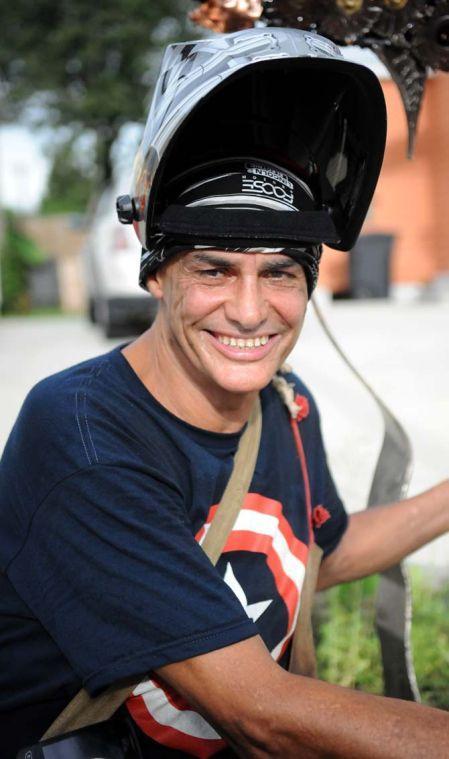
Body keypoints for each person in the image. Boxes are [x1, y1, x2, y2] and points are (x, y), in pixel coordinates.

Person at [1, 28, 449, 759]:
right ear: (155, 275)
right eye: (213, 270)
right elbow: (261, 716)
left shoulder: (283, 400)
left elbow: (318, 550)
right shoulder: (84, 433)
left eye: (279, 273)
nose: (248, 310)